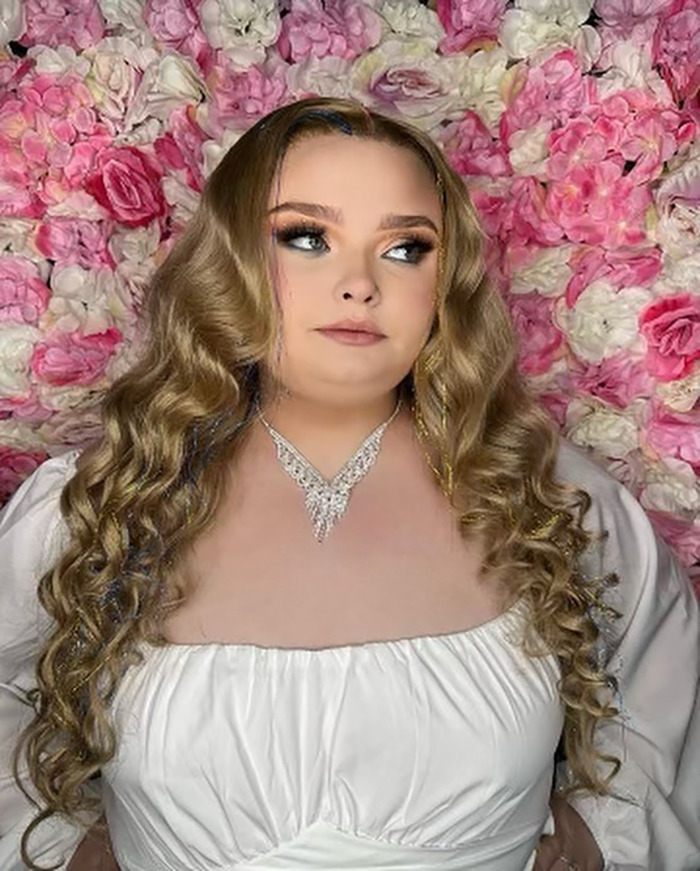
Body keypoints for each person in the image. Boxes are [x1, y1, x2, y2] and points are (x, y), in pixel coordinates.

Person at [1, 96, 699, 871]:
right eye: (306, 237)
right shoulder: (100, 500)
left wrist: (604, 834)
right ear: (230, 258)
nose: (359, 283)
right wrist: (54, 845)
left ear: (446, 281)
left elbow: (661, 694)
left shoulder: (543, 493)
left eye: (405, 248)